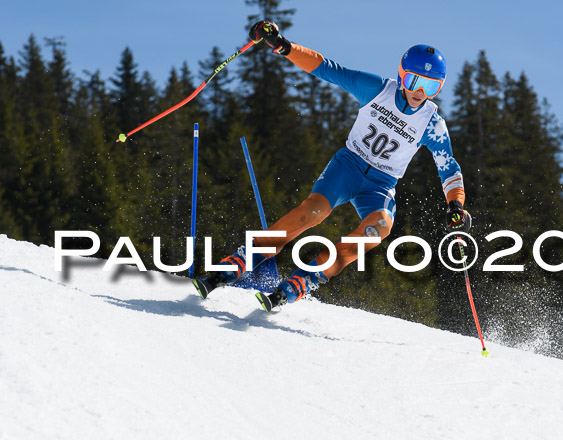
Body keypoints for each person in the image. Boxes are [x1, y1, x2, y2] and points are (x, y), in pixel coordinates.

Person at [192, 20, 471, 312]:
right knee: (313, 211)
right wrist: (283, 46)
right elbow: (328, 69)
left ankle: (304, 280)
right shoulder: (376, 90)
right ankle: (242, 260)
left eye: (430, 86)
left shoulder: (432, 123)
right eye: (414, 81)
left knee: (380, 228)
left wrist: (456, 205)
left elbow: (448, 167)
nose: (420, 92)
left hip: (380, 185)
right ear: (402, 76)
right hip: (348, 167)